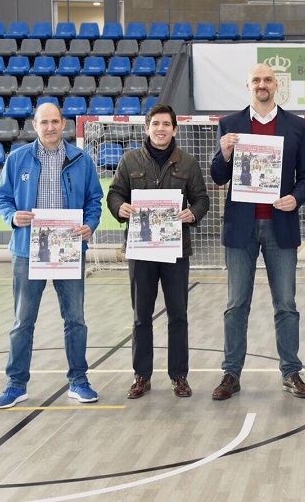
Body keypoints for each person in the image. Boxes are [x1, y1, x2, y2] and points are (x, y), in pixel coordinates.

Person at [210, 63, 305, 400]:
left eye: (268, 80)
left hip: (280, 225)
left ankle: (291, 372)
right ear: (248, 85)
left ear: (277, 86)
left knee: (286, 304)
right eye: (256, 79)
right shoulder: (230, 125)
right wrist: (225, 153)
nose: (262, 84)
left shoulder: (298, 126)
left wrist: (295, 198)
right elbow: (217, 176)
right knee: (236, 304)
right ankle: (231, 374)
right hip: (240, 227)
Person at [0, 102, 103, 409]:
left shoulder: (82, 159)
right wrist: (12, 216)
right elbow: (0, 198)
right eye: (45, 122)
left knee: (75, 319)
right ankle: (16, 384)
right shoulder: (17, 160)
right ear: (35, 125)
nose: (51, 127)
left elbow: (95, 200)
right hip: (28, 251)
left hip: (69, 250)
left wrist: (90, 225)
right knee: (22, 321)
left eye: (55, 121)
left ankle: (79, 381)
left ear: (64, 124)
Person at [107, 104, 210, 400]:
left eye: (166, 124)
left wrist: (193, 213)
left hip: (176, 251)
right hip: (140, 251)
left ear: (175, 129)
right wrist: (120, 208)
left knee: (178, 315)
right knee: (141, 316)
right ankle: (142, 375)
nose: (161, 129)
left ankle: (179, 376)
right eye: (156, 124)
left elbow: (201, 199)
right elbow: (114, 193)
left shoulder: (188, 163)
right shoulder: (129, 161)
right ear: (147, 129)